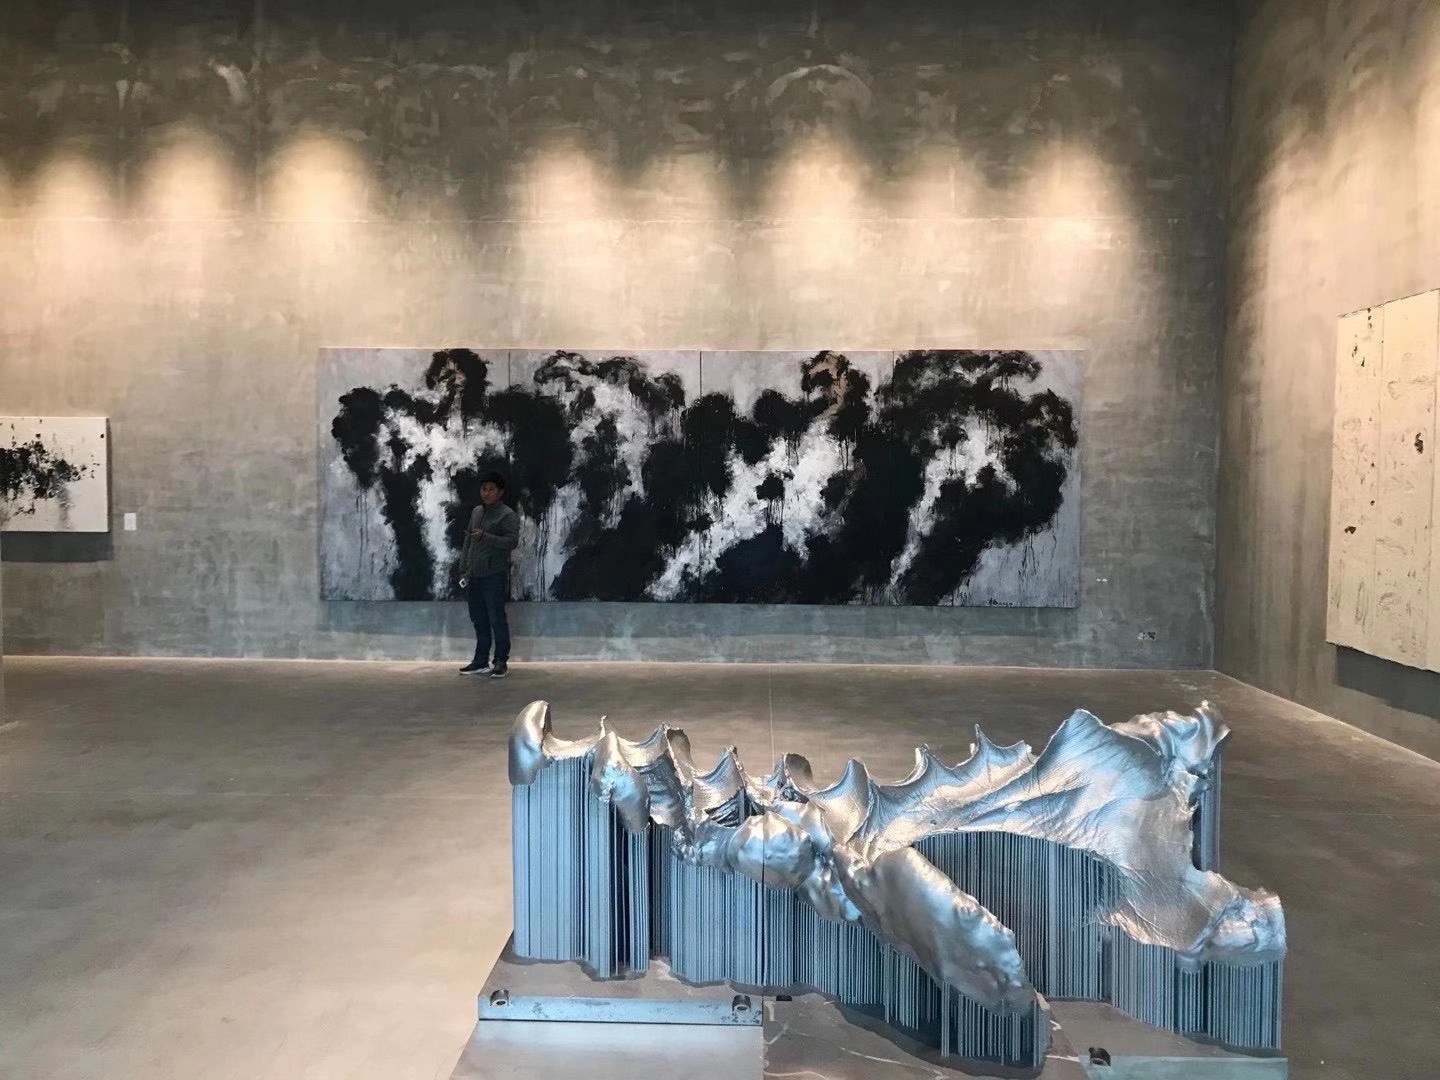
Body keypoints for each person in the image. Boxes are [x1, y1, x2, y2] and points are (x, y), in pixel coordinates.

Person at [457, 472, 520, 678]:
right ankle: (480, 661)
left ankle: (501, 661)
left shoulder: (507, 515)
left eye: (491, 489)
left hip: (494, 575)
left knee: (496, 619)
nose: (486, 493)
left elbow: (511, 542)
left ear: (500, 492)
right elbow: (468, 541)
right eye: (484, 489)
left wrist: (486, 537)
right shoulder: (477, 511)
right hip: (473, 575)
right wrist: (463, 568)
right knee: (479, 619)